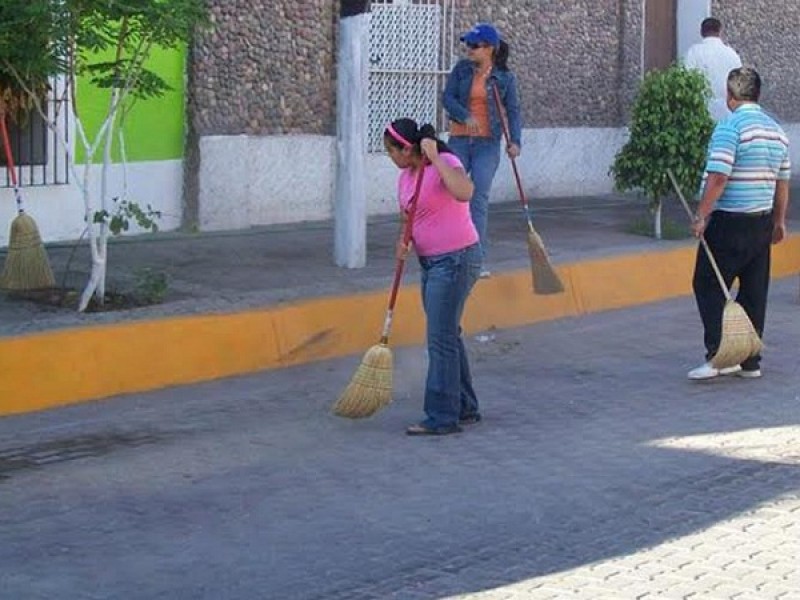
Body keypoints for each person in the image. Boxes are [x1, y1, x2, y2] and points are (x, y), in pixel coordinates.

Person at [687, 67, 790, 381]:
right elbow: (781, 182)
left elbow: (719, 176)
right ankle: (749, 361)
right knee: (754, 291)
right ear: (757, 94)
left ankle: (721, 355)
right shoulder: (776, 131)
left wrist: (702, 215)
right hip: (760, 224)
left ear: (730, 95)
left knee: (707, 283)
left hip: (729, 222)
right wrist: (779, 222)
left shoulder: (729, 127)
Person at [384, 118, 482, 435]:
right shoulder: (405, 177)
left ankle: (442, 416)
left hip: (456, 259)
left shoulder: (446, 162)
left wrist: (435, 158)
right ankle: (464, 405)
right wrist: (404, 241)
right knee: (447, 335)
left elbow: (465, 192)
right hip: (430, 263)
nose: (390, 157)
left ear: (407, 148)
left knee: (439, 340)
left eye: (391, 151)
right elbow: (409, 218)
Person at [443, 23, 521, 278]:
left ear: (490, 49)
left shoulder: (505, 78)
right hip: (460, 141)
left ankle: (476, 261)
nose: (469, 50)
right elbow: (448, 98)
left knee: (478, 198)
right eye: (468, 45)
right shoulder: (462, 69)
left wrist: (515, 141)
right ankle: (448, 253)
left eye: (474, 46)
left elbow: (514, 111)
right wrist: (464, 116)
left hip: (487, 144)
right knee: (451, 193)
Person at [684, 17, 743, 121]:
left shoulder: (693, 53)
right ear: (720, 31)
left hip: (700, 113)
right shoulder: (732, 55)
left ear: (702, 32)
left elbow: (685, 82)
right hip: (727, 113)